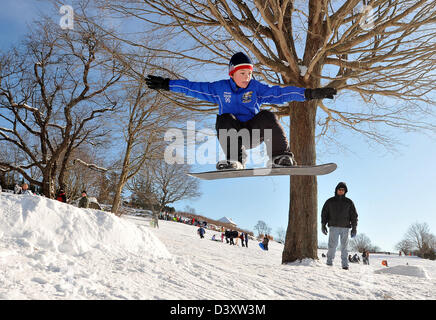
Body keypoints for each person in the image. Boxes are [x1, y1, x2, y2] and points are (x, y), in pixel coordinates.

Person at [145, 52, 337, 170]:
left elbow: (280, 94)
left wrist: (310, 93)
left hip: (254, 134)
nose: (247, 77)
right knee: (224, 117)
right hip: (233, 136)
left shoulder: (256, 88)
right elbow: (192, 87)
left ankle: (280, 156)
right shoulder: (219, 89)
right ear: (232, 73)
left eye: (249, 73)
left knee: (268, 115)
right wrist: (168, 84)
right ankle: (235, 160)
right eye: (242, 73)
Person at [321, 182, 358, 270]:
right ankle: (329, 263)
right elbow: (324, 214)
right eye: (339, 189)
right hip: (333, 226)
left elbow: (354, 216)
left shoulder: (349, 202)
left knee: (344, 247)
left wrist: (354, 228)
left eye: (343, 190)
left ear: (345, 191)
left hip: (345, 227)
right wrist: (323, 224)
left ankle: (345, 265)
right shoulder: (330, 201)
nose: (341, 191)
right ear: (336, 190)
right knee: (332, 246)